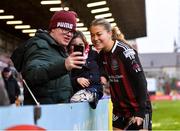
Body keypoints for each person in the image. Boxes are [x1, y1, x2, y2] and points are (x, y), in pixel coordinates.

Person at [90, 18, 152, 130]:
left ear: (109, 33)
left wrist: (141, 111)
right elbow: (102, 70)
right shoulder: (101, 55)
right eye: (92, 35)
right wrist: (103, 76)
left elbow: (141, 80)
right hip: (119, 110)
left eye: (99, 34)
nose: (95, 38)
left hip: (137, 107)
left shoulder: (125, 52)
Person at [19, 10, 85, 105]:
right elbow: (31, 75)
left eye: (72, 31)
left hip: (58, 111)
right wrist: (63, 65)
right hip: (44, 114)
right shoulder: (39, 46)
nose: (69, 34)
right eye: (64, 29)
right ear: (53, 28)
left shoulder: (60, 50)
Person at [68, 31, 104, 109]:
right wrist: (77, 80)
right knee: (75, 99)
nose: (78, 47)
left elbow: (103, 67)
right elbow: (66, 79)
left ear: (85, 44)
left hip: (95, 87)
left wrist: (104, 76)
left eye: (81, 44)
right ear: (69, 46)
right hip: (78, 90)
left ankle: (93, 95)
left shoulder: (93, 54)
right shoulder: (68, 60)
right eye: (73, 45)